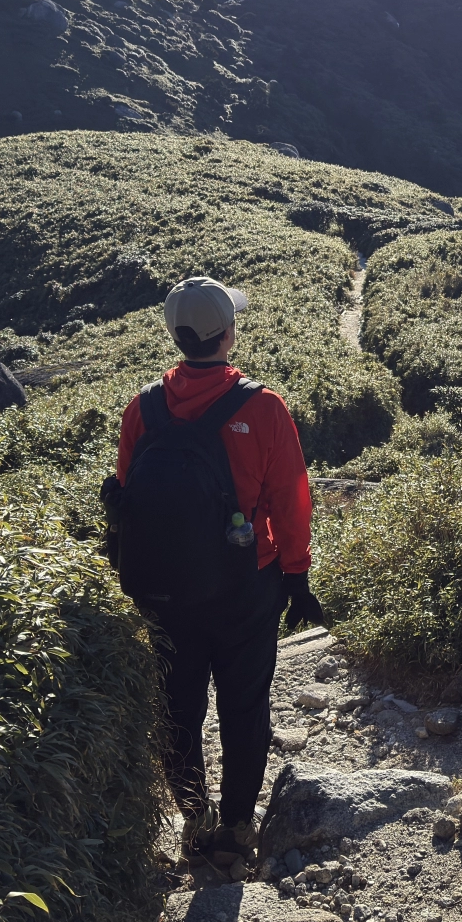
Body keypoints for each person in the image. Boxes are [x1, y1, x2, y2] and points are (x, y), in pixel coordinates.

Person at [110, 275, 323, 870]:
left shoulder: (143, 408)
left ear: (177, 335)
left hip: (164, 591)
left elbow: (127, 498)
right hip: (244, 585)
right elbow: (292, 500)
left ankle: (193, 818)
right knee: (244, 706)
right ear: (227, 335)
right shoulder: (263, 407)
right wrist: (296, 576)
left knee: (179, 707)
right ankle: (234, 831)